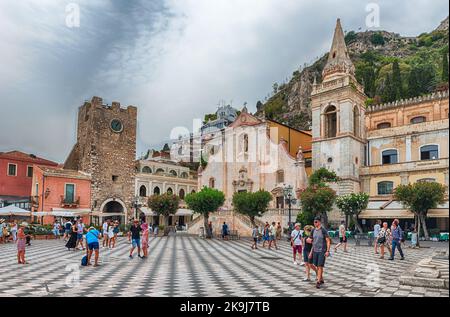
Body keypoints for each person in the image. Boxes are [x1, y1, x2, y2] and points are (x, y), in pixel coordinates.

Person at [307, 217, 331, 289]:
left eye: (316, 222)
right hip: (315, 250)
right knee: (314, 265)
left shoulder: (323, 230)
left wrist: (327, 251)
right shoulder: (313, 230)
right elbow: (311, 240)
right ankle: (321, 278)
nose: (315, 223)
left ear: (320, 222)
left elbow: (328, 241)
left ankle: (318, 282)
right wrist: (308, 240)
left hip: (322, 251)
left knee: (320, 266)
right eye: (314, 222)